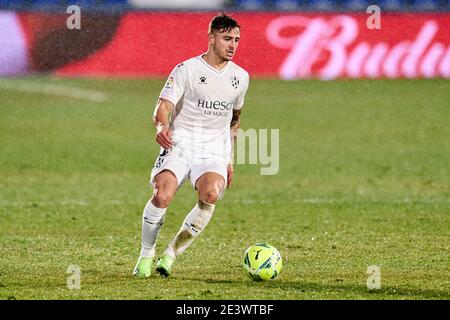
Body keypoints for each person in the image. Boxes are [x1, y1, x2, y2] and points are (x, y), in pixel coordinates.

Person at [133, 13, 249, 278]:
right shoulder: (187, 69)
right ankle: (146, 254)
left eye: (237, 40)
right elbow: (164, 106)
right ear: (211, 39)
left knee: (211, 194)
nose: (232, 45)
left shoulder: (241, 77)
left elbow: (235, 120)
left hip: (214, 150)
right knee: (162, 195)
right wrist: (162, 126)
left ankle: (171, 254)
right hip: (181, 143)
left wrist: (229, 159)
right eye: (226, 38)